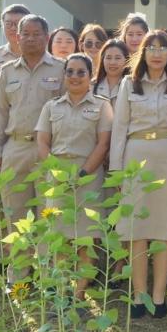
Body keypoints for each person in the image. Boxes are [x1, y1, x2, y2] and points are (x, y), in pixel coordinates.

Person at [110, 30, 167, 319]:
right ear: (142, 53)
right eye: (151, 48)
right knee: (137, 230)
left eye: (162, 49)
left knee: (165, 230)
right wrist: (117, 170)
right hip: (136, 156)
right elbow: (119, 128)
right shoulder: (128, 84)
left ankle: (158, 297)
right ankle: (138, 295)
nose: (157, 54)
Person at [0, 15, 66, 278]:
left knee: (49, 213)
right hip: (15, 148)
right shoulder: (8, 72)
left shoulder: (61, 68)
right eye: (26, 33)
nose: (31, 38)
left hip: (50, 151)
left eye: (37, 33)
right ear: (17, 37)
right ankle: (19, 275)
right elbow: (0, 112)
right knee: (16, 213)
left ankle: (47, 276)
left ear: (47, 37)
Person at [35, 52, 112, 300]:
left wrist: (81, 174)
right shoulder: (51, 106)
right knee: (60, 235)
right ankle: (62, 287)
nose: (75, 77)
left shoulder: (102, 105)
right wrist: (57, 172)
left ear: (91, 76)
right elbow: (42, 142)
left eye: (81, 72)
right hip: (57, 176)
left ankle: (79, 292)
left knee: (86, 237)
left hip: (88, 176)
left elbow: (103, 144)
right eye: (70, 71)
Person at [0, 4, 30, 72]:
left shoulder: (41, 57)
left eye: (18, 24)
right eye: (8, 24)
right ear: (2, 25)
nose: (13, 28)